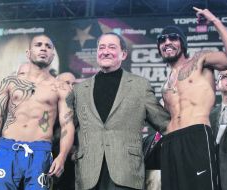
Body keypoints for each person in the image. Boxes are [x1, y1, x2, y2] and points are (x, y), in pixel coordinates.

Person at [70, 32, 170, 190]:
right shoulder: (79, 90)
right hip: (87, 174)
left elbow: (165, 124)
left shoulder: (140, 86)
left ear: (123, 54)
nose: (105, 51)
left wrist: (191, 140)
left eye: (111, 47)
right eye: (101, 47)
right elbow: (69, 128)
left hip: (126, 173)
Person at [157, 7, 227, 190]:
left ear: (183, 43)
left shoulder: (200, 60)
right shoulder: (166, 83)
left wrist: (214, 21)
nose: (167, 42)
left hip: (196, 137)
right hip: (170, 142)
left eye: (173, 38)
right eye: (162, 40)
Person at [0, 34, 75, 190]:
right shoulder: (10, 82)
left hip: (40, 152)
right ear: (28, 53)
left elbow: (67, 125)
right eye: (38, 44)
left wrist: (62, 156)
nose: (43, 48)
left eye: (48, 46)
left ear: (52, 55)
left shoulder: (61, 88)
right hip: (7, 150)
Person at [53, 72, 77, 190]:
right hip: (45, 158)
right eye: (67, 83)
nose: (71, 87)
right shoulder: (46, 104)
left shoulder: (79, 108)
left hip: (70, 164)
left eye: (74, 84)